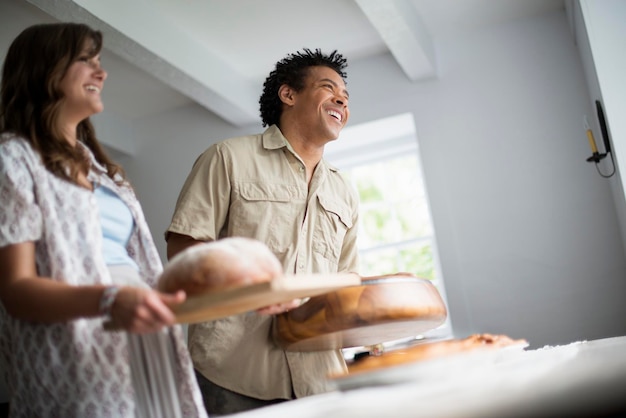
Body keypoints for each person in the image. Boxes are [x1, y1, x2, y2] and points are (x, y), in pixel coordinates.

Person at [0, 22, 283, 418]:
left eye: (100, 62)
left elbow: (152, 280)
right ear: (43, 70)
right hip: (73, 351)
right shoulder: (12, 159)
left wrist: (247, 294)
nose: (102, 72)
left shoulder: (102, 170)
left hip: (146, 334)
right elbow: (16, 290)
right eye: (85, 60)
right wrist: (109, 299)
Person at [166, 48, 359, 415]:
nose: (341, 100)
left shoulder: (344, 191)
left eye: (346, 97)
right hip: (232, 374)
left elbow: (345, 285)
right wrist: (249, 290)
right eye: (328, 88)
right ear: (289, 95)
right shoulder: (227, 157)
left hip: (323, 381)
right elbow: (183, 252)